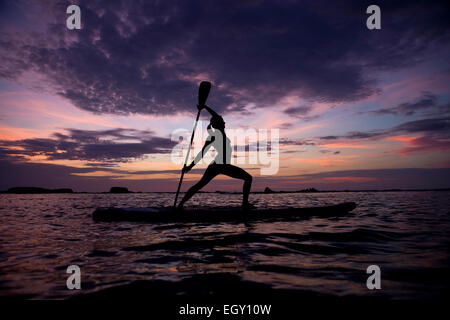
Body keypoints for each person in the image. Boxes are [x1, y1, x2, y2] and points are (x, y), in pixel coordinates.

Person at [177, 104, 254, 209]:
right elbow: (202, 153)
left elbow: (202, 153)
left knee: (199, 185)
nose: (224, 122)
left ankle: (180, 205)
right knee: (248, 178)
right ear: (217, 124)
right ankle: (245, 204)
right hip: (220, 165)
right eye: (222, 121)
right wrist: (205, 106)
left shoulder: (215, 135)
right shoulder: (218, 133)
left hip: (217, 165)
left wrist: (190, 167)